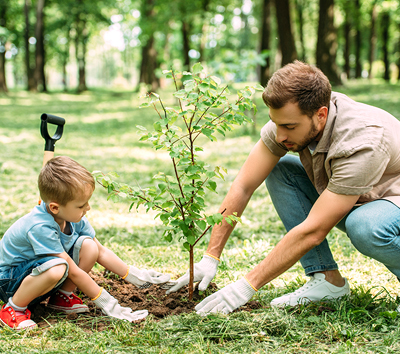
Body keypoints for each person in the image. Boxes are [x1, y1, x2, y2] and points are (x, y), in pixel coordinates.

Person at [167, 60, 400, 315]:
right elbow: (244, 185)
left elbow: (314, 231)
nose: (279, 136)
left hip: (391, 201)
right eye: (276, 123)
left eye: (289, 127)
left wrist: (245, 286)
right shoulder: (292, 119)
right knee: (282, 169)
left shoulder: (362, 141)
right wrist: (210, 257)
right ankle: (327, 281)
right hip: (358, 196)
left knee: (365, 226)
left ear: (321, 115)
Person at [0, 156, 172, 330]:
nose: (87, 208)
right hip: (10, 282)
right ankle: (13, 309)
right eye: (82, 205)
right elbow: (73, 272)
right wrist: (109, 304)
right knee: (58, 267)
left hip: (36, 275)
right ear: (54, 208)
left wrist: (135, 275)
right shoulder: (40, 226)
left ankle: (61, 297)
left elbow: (101, 251)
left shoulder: (72, 217)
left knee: (89, 246)